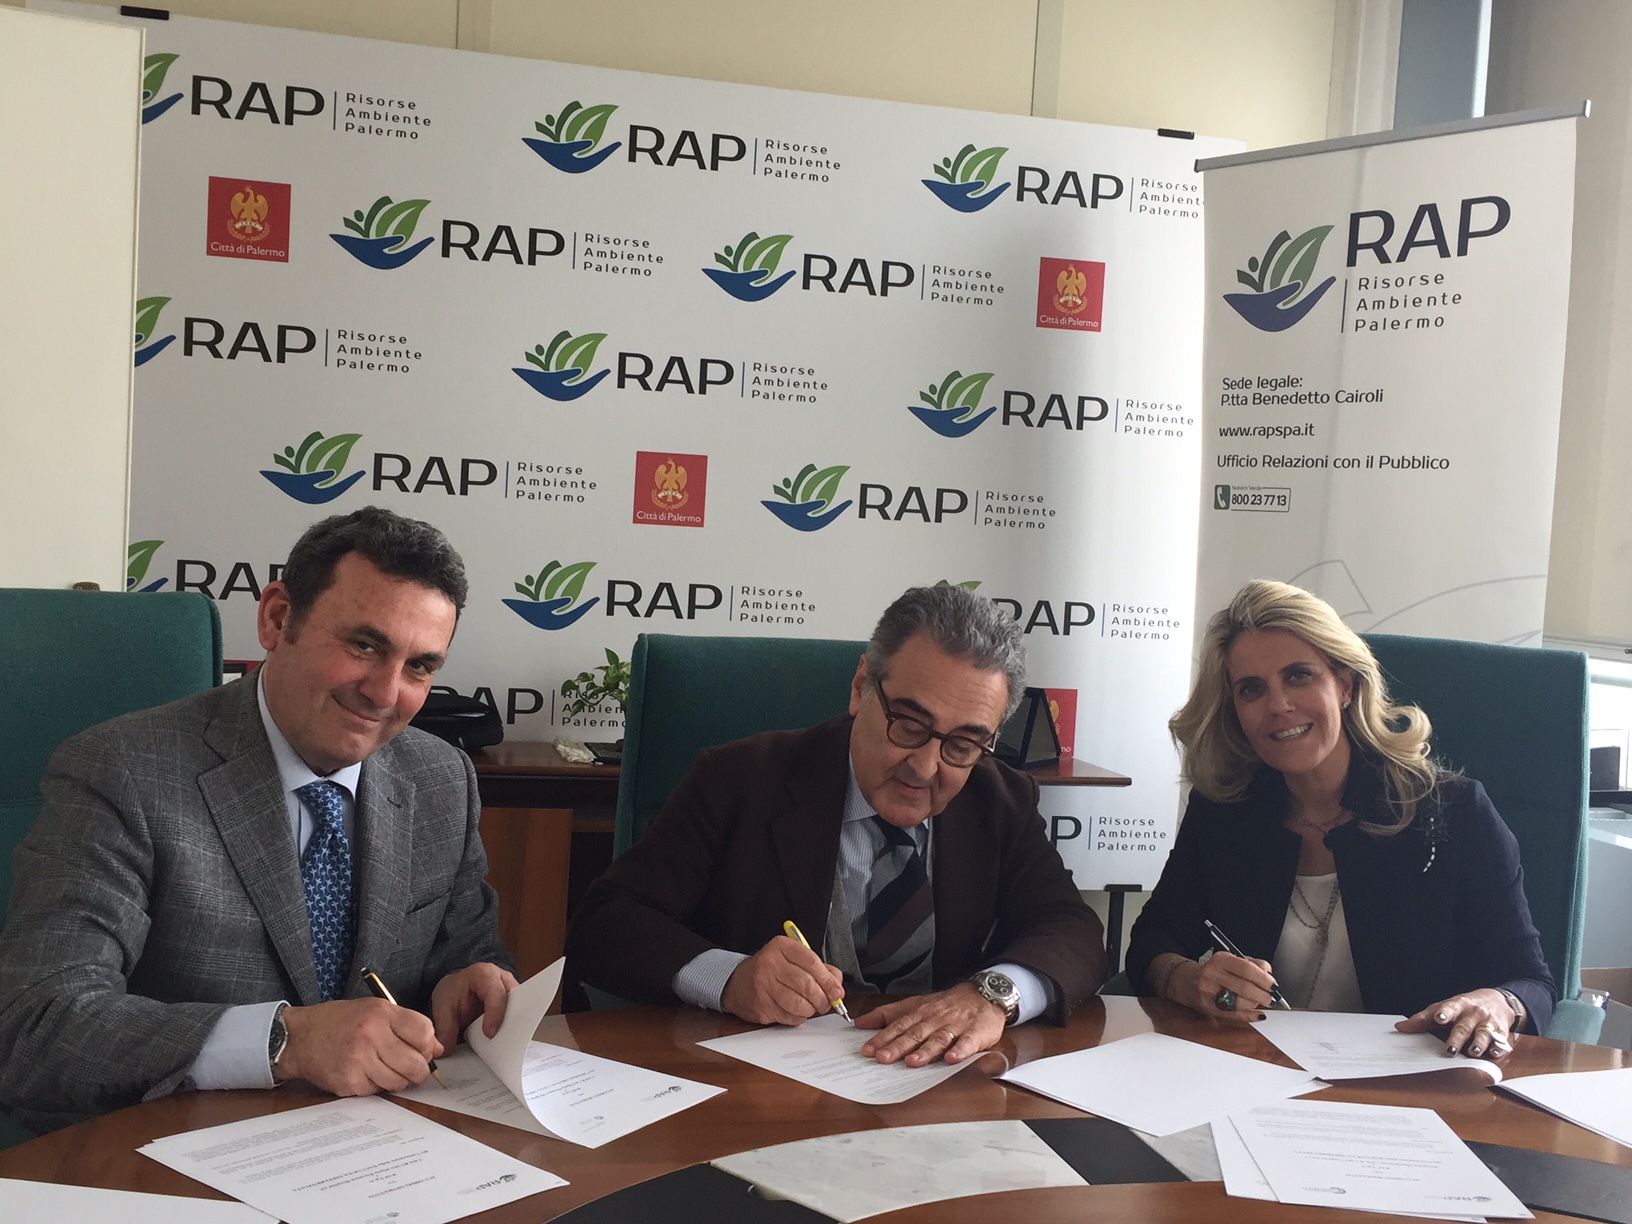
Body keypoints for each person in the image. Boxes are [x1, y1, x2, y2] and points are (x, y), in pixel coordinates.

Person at [0, 507, 516, 1132]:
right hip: (173, 1149)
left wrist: (464, 983)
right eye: (364, 645)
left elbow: (464, 953)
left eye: (420, 667)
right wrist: (284, 1041)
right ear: (277, 618)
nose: (385, 694)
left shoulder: (442, 779)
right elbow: (37, 1024)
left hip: (381, 1150)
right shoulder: (123, 772)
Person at [566, 585, 1106, 1067]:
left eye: (963, 744)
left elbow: (1072, 928)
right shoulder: (738, 780)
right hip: (759, 1089)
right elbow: (606, 922)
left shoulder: (1001, 800)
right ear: (861, 686)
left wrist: (993, 996)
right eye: (909, 725)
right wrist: (729, 978)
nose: (924, 768)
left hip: (931, 1083)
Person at [1126, 579, 1555, 1058]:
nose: (1278, 705)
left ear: (1345, 685)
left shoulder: (1451, 812)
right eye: (1252, 689)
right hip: (1252, 1070)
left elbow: (1530, 982)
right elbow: (1152, 941)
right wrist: (1185, 979)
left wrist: (1496, 1003)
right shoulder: (1224, 810)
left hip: (1406, 1078)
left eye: (1299, 676)